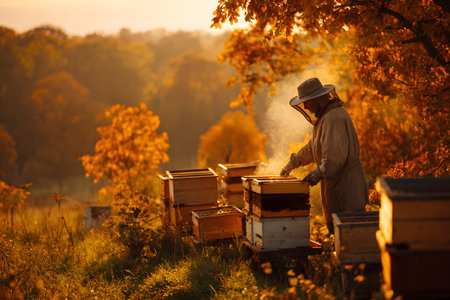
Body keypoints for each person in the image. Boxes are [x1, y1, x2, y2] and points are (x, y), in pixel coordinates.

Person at [280, 77, 368, 235]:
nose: (306, 106)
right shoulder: (325, 118)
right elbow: (312, 148)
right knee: (338, 237)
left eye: (308, 101)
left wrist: (316, 174)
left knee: (349, 239)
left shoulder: (334, 119)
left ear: (319, 99)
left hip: (347, 190)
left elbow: (334, 160)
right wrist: (292, 163)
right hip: (336, 188)